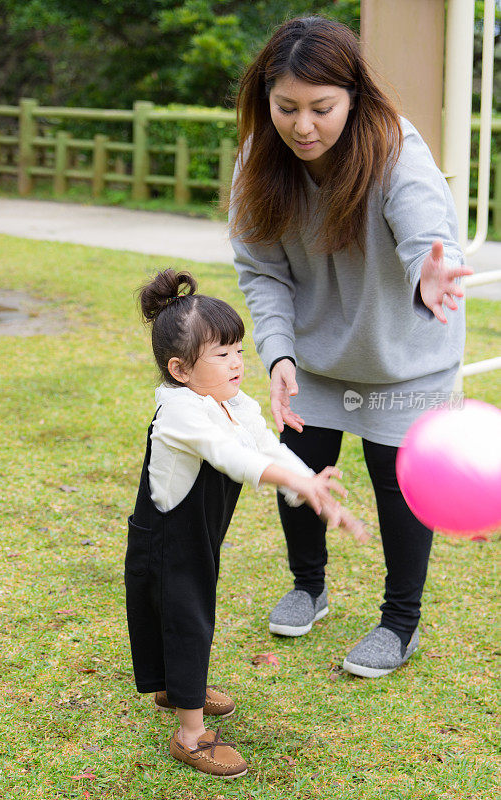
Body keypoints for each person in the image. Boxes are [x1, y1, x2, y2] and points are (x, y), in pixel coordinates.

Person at [229, 15, 473, 678]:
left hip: (403, 357)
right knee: (300, 471)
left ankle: (401, 623)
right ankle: (309, 586)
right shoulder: (260, 156)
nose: (303, 125)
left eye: (321, 108)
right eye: (287, 107)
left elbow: (425, 230)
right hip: (314, 355)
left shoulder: (394, 148)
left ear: (354, 97)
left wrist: (429, 267)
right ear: (266, 100)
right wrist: (278, 355)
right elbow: (262, 270)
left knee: (400, 485)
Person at [125, 268, 366, 778]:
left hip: (199, 536)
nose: (237, 361)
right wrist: (302, 485)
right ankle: (191, 736)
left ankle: (177, 687)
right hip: (168, 540)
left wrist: (315, 490)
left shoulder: (234, 403)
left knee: (188, 611)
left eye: (238, 349)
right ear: (181, 369)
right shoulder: (181, 413)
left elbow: (267, 448)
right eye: (221, 353)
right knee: (188, 620)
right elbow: (238, 461)